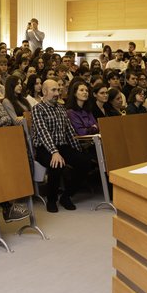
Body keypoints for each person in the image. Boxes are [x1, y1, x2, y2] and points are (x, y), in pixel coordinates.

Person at [31, 79, 93, 212]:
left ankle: (66, 196)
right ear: (44, 91)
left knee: (85, 162)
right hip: (44, 148)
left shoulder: (61, 108)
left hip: (62, 145)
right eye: (53, 90)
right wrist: (54, 152)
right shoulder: (38, 109)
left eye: (58, 90)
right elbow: (43, 133)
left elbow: (69, 131)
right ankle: (51, 200)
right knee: (57, 164)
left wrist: (78, 150)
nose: (57, 93)